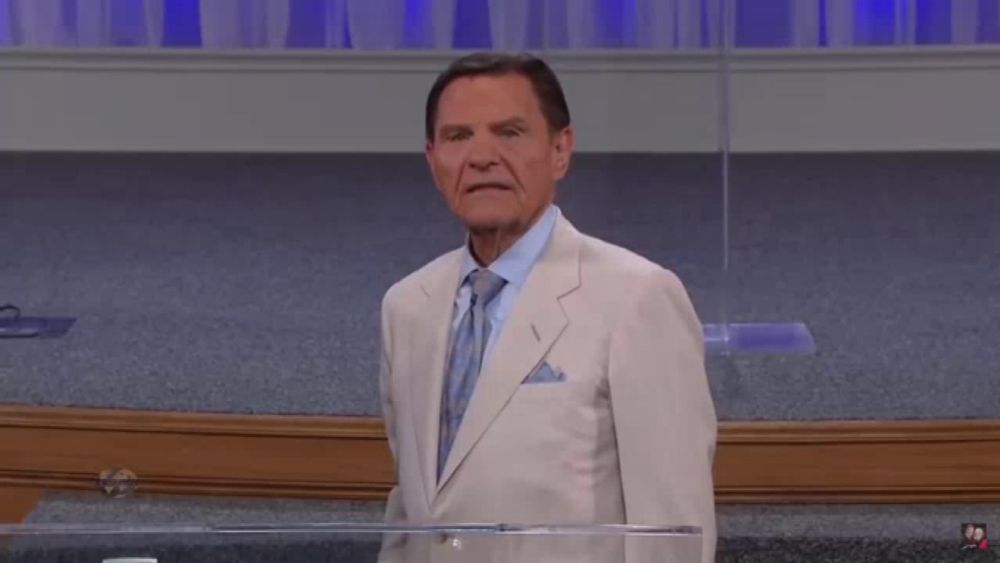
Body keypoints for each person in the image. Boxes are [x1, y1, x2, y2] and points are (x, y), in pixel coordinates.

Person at [377, 52, 717, 563]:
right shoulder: (406, 307)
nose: (483, 156)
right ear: (432, 159)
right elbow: (413, 513)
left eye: (509, 132)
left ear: (561, 149)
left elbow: (671, 533)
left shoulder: (637, 298)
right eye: (458, 137)